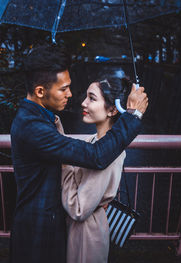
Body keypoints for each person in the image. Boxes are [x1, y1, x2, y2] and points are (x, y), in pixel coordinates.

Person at [9, 44, 148, 263]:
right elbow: (96, 156)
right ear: (40, 91)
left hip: (46, 223)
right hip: (39, 230)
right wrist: (134, 116)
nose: (71, 94)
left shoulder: (39, 119)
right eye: (63, 89)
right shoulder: (33, 128)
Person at [61, 76, 132, 263]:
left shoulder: (107, 153)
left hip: (86, 233)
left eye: (92, 98)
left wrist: (65, 165)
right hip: (84, 228)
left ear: (112, 110)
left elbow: (79, 209)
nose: (83, 103)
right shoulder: (94, 142)